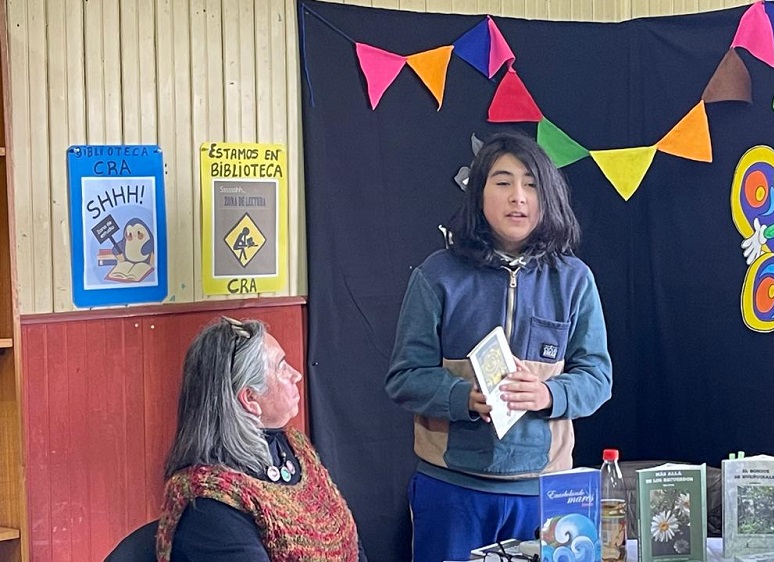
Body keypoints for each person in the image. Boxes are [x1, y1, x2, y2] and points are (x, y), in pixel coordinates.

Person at [385, 131, 613, 562]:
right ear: (479, 193)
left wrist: (550, 393)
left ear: (548, 196)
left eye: (531, 184)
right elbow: (403, 377)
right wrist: (462, 397)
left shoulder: (574, 279)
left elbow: (598, 378)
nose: (518, 198)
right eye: (503, 182)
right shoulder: (437, 275)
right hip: (452, 488)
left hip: (545, 491)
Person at [156, 316, 363, 561]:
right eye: (282, 366)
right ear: (250, 399)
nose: (296, 375)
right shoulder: (208, 504)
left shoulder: (295, 446)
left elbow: (351, 543)